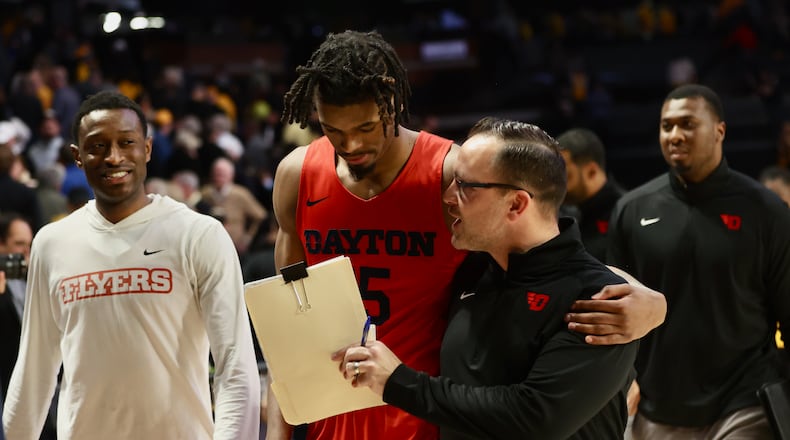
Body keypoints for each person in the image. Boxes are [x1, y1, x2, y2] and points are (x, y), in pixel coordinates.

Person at [269, 29, 665, 440]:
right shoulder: (298, 176)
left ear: (396, 103)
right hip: (332, 420)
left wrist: (652, 304)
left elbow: (546, 248)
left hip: (428, 415)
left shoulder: (451, 175)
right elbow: (287, 325)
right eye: (333, 129)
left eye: (367, 127)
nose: (350, 144)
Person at [336, 117, 639, 438]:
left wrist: (397, 382)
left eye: (465, 186)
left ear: (516, 204)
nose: (448, 196)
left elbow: (533, 419)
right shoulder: (471, 271)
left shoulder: (601, 301)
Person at [1, 90, 261, 439]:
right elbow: (34, 371)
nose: (113, 157)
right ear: (77, 157)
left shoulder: (198, 235)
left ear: (147, 149)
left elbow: (236, 368)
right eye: (97, 146)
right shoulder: (52, 243)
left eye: (126, 142)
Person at [607, 83, 790, 439]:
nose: (675, 135)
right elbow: (617, 312)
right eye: (667, 126)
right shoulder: (631, 210)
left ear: (720, 130)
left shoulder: (767, 211)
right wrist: (623, 380)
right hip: (656, 405)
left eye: (688, 124)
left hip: (745, 400)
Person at [556, 127, 625, 262]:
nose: (557, 185)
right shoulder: (567, 216)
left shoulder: (625, 212)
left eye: (565, 176)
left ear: (591, 171)